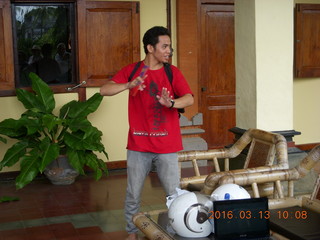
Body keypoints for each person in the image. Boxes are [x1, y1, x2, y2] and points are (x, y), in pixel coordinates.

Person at [100, 26, 194, 240]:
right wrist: (127, 85)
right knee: (133, 193)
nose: (169, 50)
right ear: (150, 48)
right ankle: (132, 233)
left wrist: (170, 103)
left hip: (167, 145)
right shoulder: (134, 71)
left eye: (169, 46)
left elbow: (189, 98)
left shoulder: (172, 71)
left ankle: (173, 231)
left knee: (173, 195)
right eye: (165, 46)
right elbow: (104, 90)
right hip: (138, 145)